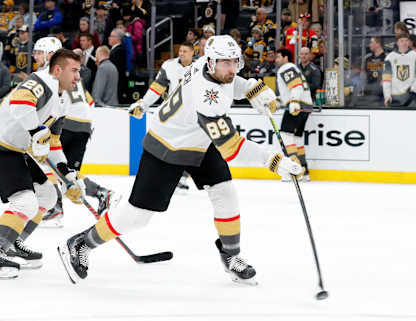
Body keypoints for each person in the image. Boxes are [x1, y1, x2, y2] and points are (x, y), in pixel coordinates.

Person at [57, 35, 302, 284]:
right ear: (211, 62)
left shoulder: (205, 65)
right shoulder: (206, 97)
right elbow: (231, 148)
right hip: (168, 146)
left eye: (234, 62)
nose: (231, 68)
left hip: (199, 140)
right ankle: (81, 243)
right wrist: (273, 160)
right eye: (225, 63)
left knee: (225, 192)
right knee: (137, 216)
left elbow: (231, 81)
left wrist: (253, 88)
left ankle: (231, 256)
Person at [0, 49, 84, 279]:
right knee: (25, 202)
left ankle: (11, 243)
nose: (78, 77)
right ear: (58, 70)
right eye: (74, 71)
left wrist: (67, 174)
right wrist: (36, 131)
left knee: (47, 196)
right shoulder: (43, 80)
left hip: (12, 148)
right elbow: (20, 103)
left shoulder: (61, 102)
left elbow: (54, 143)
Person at [31, 37, 120, 228]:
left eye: (39, 52)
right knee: (67, 172)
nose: (35, 56)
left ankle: (55, 209)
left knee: (51, 167)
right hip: (83, 125)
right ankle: (101, 193)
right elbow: (88, 101)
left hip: (67, 124)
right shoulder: (70, 69)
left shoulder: (47, 73)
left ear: (50, 54)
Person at [129, 41, 195, 190]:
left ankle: (181, 176)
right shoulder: (169, 66)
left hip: (191, 115)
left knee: (185, 146)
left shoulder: (200, 68)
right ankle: (158, 176)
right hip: (171, 114)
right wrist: (143, 104)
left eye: (185, 51)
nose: (181, 53)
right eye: (180, 50)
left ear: (193, 53)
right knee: (162, 144)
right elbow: (157, 88)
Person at [275, 48, 313, 182]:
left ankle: (293, 170)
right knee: (297, 140)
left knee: (285, 136)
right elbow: (290, 90)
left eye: (278, 57)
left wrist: (294, 102)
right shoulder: (292, 68)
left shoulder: (287, 67)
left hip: (297, 105)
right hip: (305, 106)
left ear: (286, 58)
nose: (276, 59)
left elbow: (296, 86)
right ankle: (304, 171)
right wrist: (279, 101)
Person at [383, 33, 416, 107]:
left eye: (406, 40)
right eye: (401, 41)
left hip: (412, 97)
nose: (404, 43)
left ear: (409, 42)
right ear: (397, 42)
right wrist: (387, 95)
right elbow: (386, 79)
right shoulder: (389, 57)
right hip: (395, 97)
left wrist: (413, 89)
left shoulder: (414, 55)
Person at [362, 36, 385, 103]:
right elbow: (363, 73)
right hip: (369, 89)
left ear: (378, 44)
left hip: (382, 91)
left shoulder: (387, 57)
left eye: (371, 42)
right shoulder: (367, 58)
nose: (370, 45)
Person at [109, 28, 128, 103]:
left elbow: (117, 68)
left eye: (111, 36)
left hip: (117, 83)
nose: (109, 38)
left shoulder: (119, 50)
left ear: (118, 38)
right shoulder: (114, 49)